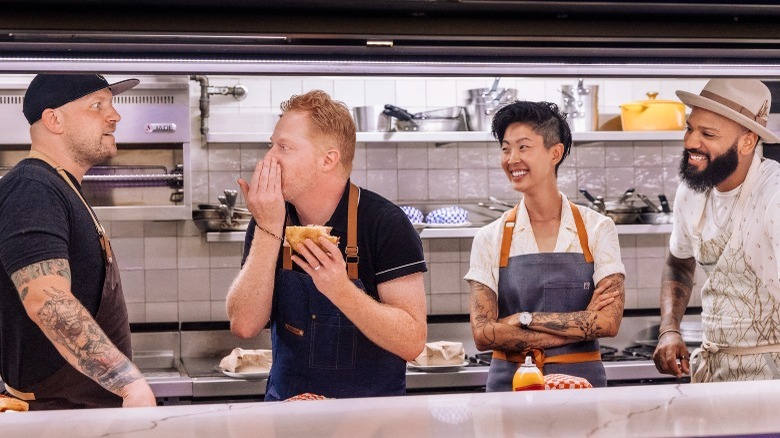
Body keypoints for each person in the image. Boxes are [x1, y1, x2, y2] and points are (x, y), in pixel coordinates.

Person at [225, 90, 427, 401]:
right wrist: (267, 228)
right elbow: (244, 324)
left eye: (284, 147)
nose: (269, 159)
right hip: (288, 419)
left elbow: (412, 342)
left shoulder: (384, 222)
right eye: (271, 145)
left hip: (372, 424)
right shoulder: (270, 218)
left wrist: (339, 288)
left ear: (328, 159)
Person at [0, 74, 156, 409]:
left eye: (111, 104)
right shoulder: (33, 188)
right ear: (54, 119)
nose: (115, 116)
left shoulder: (61, 187)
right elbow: (46, 300)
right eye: (97, 105)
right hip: (56, 417)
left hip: (81, 412)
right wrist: (128, 382)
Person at [464, 101, 625, 390]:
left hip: (581, 387)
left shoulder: (597, 229)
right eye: (505, 148)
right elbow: (483, 334)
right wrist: (581, 324)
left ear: (555, 153)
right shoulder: (490, 237)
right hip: (510, 386)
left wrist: (523, 319)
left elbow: (609, 322)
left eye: (523, 147)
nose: (512, 158)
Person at [653, 79, 780, 383]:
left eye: (707, 134)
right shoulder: (691, 191)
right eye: (690, 128)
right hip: (713, 370)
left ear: (747, 142)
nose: (690, 142)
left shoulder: (774, 195)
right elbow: (679, 262)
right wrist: (669, 329)